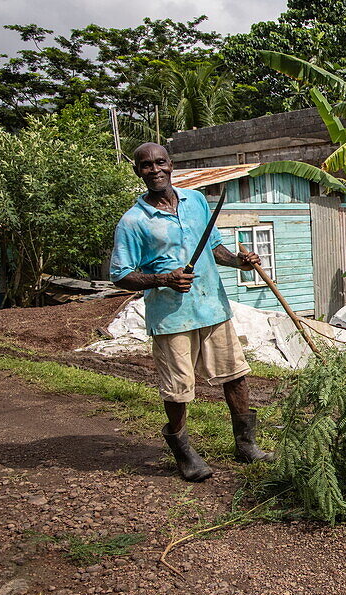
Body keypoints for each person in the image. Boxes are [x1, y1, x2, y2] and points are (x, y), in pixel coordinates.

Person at [111, 143, 272, 481]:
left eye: (160, 162)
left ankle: (246, 445)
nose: (154, 170)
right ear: (137, 171)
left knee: (236, 375)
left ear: (171, 165)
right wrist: (163, 279)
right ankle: (183, 453)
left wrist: (239, 262)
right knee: (178, 388)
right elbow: (120, 275)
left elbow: (214, 248)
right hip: (172, 317)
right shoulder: (133, 221)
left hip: (212, 306)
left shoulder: (196, 201)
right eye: (146, 165)